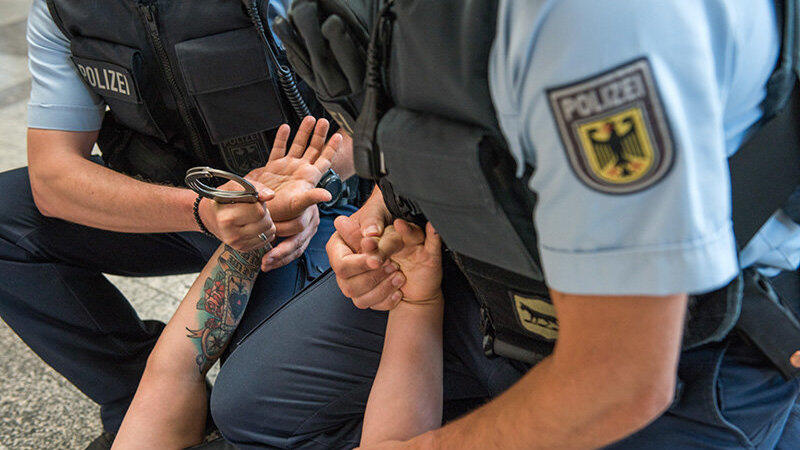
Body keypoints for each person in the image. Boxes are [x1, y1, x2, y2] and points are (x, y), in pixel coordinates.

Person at [203, 0, 800, 448]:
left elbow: (624, 377)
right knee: (258, 407)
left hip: (684, 342)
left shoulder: (601, 24)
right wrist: (390, 204)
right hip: (484, 267)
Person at [0, 0, 358, 447]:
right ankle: (137, 398)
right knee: (6, 218)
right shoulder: (63, 9)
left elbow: (385, 116)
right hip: (184, 205)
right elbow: (53, 178)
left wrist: (312, 182)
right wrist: (202, 211)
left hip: (297, 211)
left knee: (253, 401)